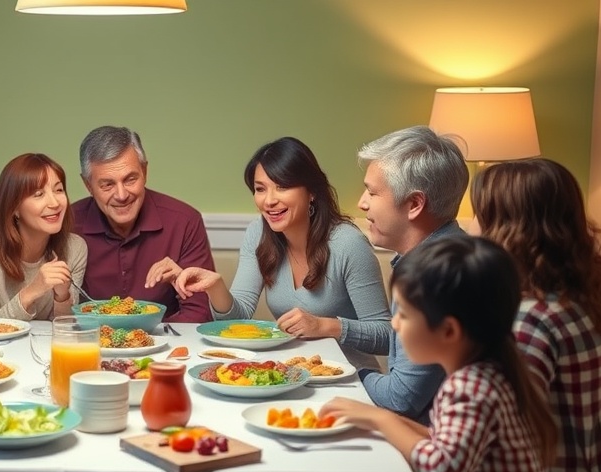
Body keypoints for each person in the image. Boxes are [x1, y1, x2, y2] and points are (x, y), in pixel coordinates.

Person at [320, 237, 557, 472]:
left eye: (404, 314)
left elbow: (442, 470)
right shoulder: (487, 374)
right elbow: (442, 439)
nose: (394, 324)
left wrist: (380, 419)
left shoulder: (470, 387)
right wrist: (376, 418)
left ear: (448, 331)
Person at [174, 137, 390, 370]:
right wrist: (215, 287)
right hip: (292, 372)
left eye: (282, 187)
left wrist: (324, 327)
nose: (269, 201)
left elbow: (387, 335)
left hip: (351, 377)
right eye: (260, 189)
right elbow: (235, 321)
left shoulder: (348, 243)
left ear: (311, 192)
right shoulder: (258, 233)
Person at [470, 158, 601, 472]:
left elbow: (500, 440)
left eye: (479, 215)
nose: (470, 227)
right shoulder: (588, 299)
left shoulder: (529, 321)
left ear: (505, 229)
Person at [354, 125, 469, 424]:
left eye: (372, 192)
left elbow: (400, 399)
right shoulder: (454, 251)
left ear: (415, 204)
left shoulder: (433, 275)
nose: (362, 203)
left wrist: (348, 375)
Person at [71, 125, 215, 323]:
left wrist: (144, 337)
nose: (121, 195)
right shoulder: (68, 225)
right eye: (108, 184)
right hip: (89, 339)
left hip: (164, 340)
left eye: (130, 179)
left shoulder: (185, 221)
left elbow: (198, 312)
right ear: (88, 185)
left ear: (145, 171)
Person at [0, 153, 87, 320]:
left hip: (42, 339)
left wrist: (62, 296)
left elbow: (65, 327)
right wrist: (32, 291)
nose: (55, 203)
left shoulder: (75, 248)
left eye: (59, 190)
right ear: (15, 208)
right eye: (38, 194)